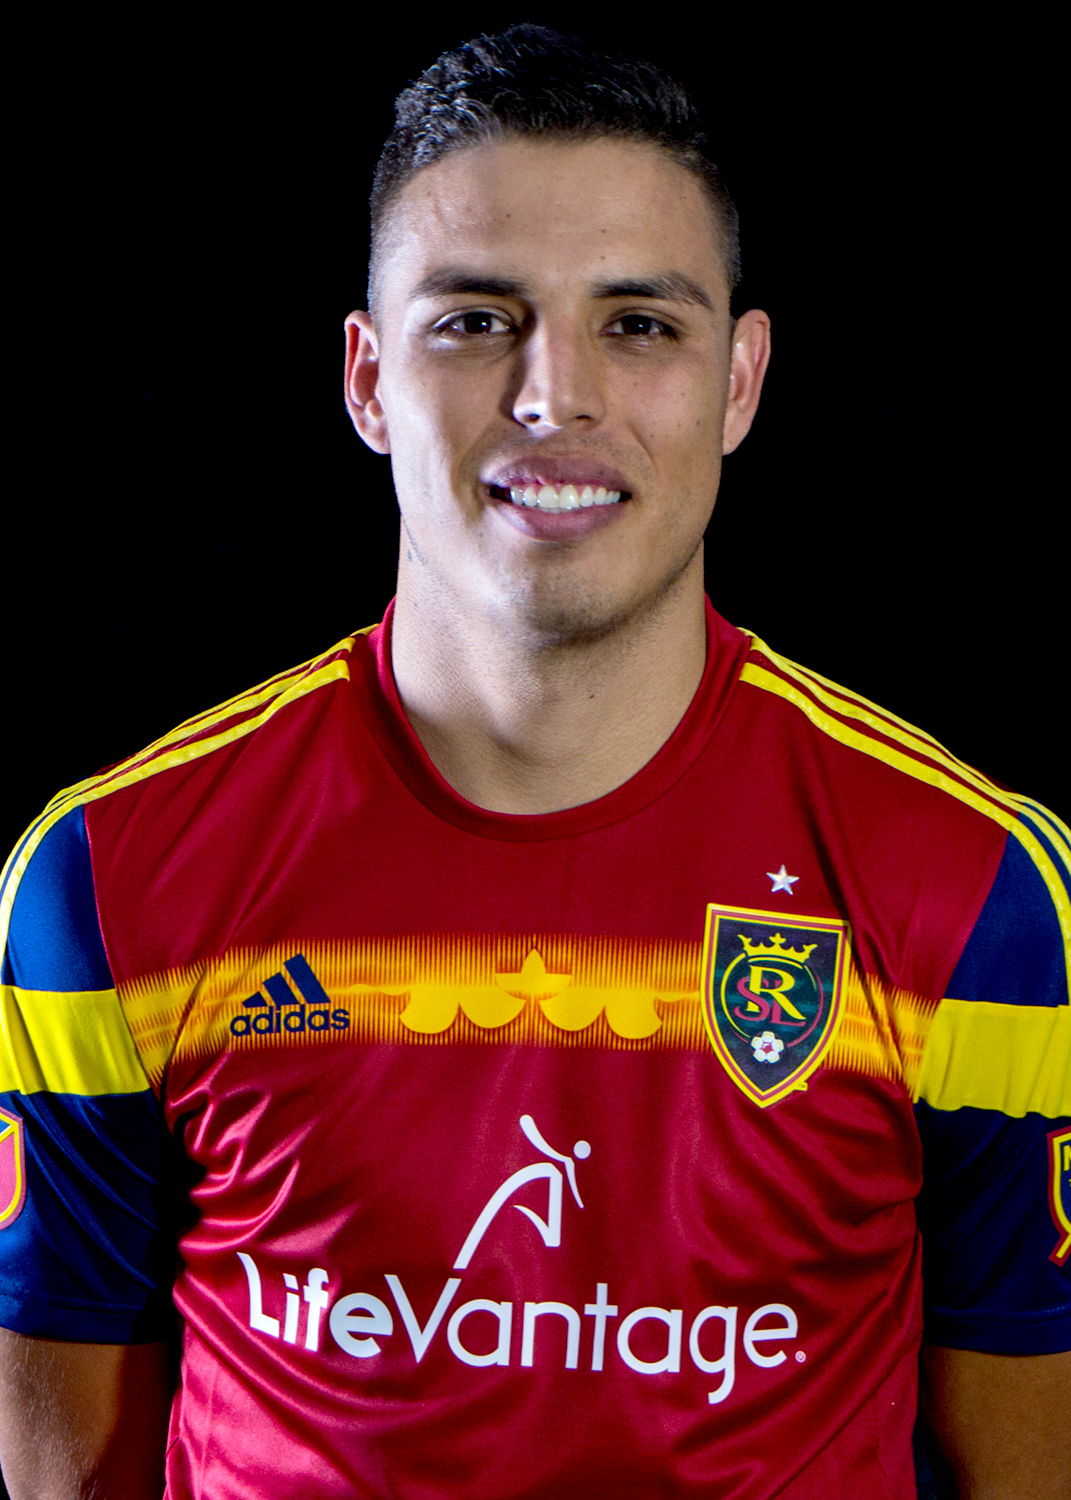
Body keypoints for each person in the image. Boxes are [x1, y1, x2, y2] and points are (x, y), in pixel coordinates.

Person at [0, 23, 1067, 1500]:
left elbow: (1025, 1463)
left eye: (639, 325)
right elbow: (64, 1464)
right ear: (368, 380)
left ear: (741, 382)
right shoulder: (108, 880)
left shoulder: (972, 885)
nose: (555, 394)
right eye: (474, 319)